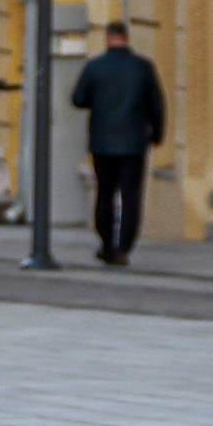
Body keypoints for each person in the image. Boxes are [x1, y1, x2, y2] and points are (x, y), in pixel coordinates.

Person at [71, 21, 166, 265]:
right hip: (134, 141)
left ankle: (106, 244)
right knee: (131, 196)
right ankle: (123, 247)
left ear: (107, 38)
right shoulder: (142, 67)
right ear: (127, 37)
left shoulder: (95, 66)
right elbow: (157, 104)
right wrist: (157, 134)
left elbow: (78, 99)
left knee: (104, 193)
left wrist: (100, 100)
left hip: (102, 141)